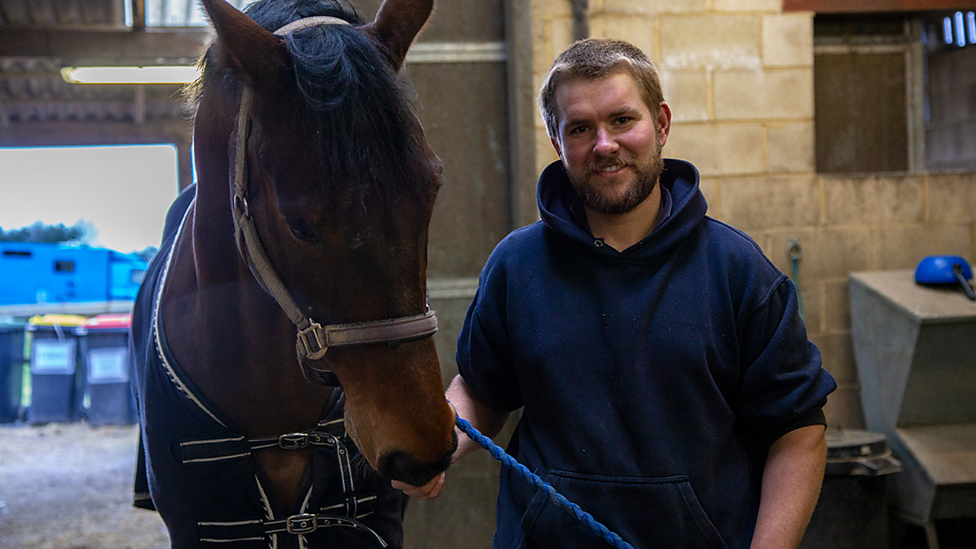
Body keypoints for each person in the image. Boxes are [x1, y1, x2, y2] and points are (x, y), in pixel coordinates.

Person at [394, 38, 837, 549]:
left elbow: (798, 432)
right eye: (580, 128)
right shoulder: (517, 266)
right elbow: (481, 393)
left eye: (622, 120)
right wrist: (436, 442)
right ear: (558, 142)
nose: (604, 144)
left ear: (661, 124)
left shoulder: (738, 271)